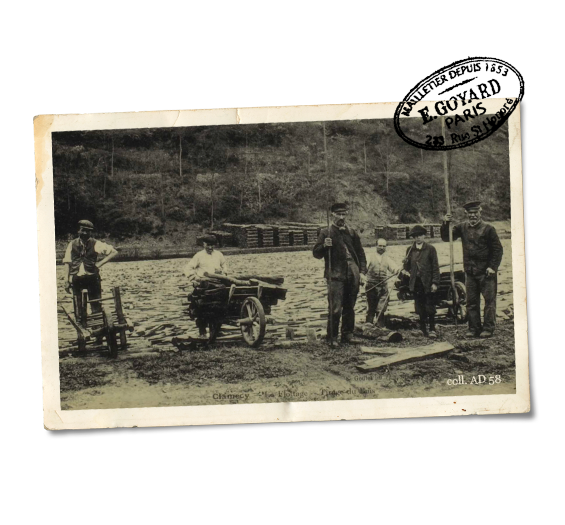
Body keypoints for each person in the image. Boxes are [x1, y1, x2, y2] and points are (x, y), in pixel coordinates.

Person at [441, 201, 503, 338]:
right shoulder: (462, 227)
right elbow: (447, 237)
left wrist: (492, 267)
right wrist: (445, 223)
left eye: (475, 213)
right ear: (467, 214)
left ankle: (488, 328)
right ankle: (474, 328)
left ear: (480, 213)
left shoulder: (489, 229)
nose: (473, 215)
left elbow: (498, 250)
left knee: (489, 302)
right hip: (470, 272)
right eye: (470, 213)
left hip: (486, 273)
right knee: (471, 302)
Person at [313, 202, 367, 344]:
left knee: (350, 306)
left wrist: (362, 272)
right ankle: (332, 337)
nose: (341, 217)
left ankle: (347, 335)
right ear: (332, 215)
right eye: (338, 214)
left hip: (353, 273)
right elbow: (316, 253)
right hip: (335, 274)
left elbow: (361, 254)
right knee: (335, 308)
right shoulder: (326, 232)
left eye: (344, 214)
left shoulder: (352, 232)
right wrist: (324, 245)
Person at [62, 220, 118, 314]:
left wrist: (99, 264)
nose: (85, 233)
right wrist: (66, 281)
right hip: (77, 278)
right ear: (78, 230)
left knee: (96, 304)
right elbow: (67, 262)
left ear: (91, 232)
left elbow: (114, 252)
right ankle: (81, 319)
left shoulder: (96, 243)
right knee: (78, 306)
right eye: (83, 230)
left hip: (92, 278)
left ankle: (97, 319)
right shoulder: (72, 244)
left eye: (88, 231)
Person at [402, 225, 440, 338]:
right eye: (415, 236)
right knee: (419, 306)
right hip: (416, 282)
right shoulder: (409, 250)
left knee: (430, 306)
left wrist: (435, 282)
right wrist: (405, 262)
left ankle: (432, 329)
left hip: (427, 282)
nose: (418, 238)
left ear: (424, 236)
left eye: (420, 235)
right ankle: (422, 329)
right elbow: (407, 267)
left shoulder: (430, 249)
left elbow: (435, 267)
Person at [365, 238, 399, 326]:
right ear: (376, 246)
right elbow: (364, 269)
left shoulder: (387, 258)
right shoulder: (369, 257)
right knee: (371, 307)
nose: (382, 248)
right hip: (371, 286)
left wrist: (398, 270)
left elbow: (394, 268)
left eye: (384, 246)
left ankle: (380, 326)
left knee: (381, 308)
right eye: (380, 246)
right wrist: (362, 278)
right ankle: (368, 325)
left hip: (383, 287)